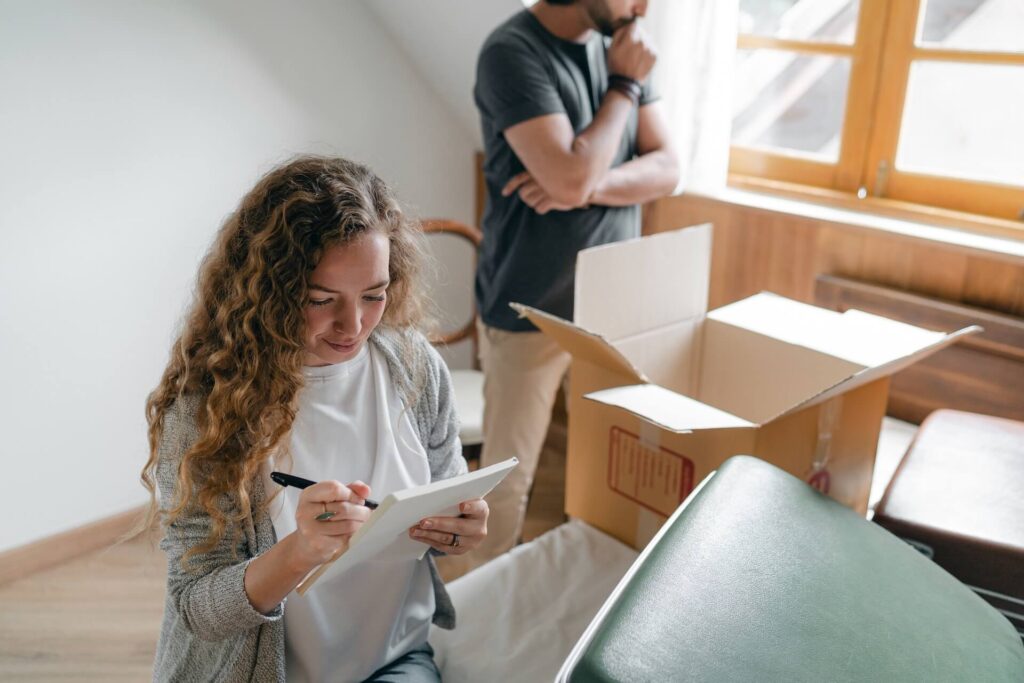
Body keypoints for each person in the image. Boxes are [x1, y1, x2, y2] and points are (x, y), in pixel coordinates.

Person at [139, 156, 487, 682]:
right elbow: (197, 608)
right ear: (271, 293)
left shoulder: (416, 369)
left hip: (393, 660)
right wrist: (298, 552)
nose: (354, 325)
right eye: (321, 300)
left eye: (375, 295)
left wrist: (458, 526)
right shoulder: (208, 409)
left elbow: (448, 488)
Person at [452, 0, 679, 573]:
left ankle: (534, 605)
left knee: (584, 480)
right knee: (503, 492)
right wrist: (623, 85)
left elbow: (670, 168)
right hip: (530, 307)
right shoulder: (513, 52)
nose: (644, 6)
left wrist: (586, 185)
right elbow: (571, 174)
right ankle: (456, 623)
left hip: (610, 312)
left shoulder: (620, 42)